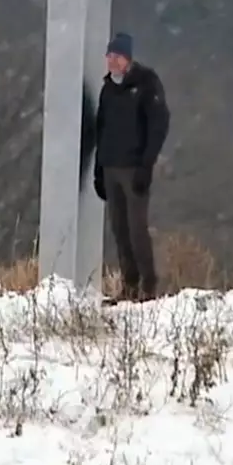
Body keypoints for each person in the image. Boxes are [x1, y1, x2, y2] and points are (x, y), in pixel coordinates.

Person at [93, 33, 170, 302]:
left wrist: (146, 165)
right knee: (119, 228)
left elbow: (158, 125)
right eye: (109, 56)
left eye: (116, 56)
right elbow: (100, 129)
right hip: (111, 166)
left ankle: (148, 288)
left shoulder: (146, 84)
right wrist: (98, 169)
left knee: (137, 229)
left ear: (128, 58)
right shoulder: (108, 89)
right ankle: (129, 284)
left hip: (135, 167)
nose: (111, 61)